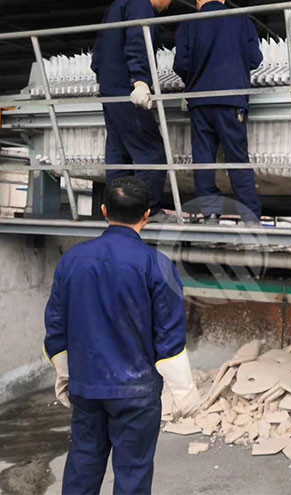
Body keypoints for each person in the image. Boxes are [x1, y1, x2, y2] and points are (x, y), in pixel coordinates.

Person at [44, 177, 200, 494]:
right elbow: (169, 339)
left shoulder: (71, 261)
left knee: (82, 467)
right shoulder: (158, 266)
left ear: (104, 210)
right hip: (136, 394)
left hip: (87, 388)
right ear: (147, 215)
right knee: (133, 474)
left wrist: (64, 374)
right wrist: (184, 392)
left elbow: (56, 327)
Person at [173, 0, 263, 224]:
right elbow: (255, 59)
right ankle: (250, 216)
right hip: (232, 99)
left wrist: (197, 78)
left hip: (200, 101)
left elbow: (181, 64)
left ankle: (211, 214)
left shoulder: (187, 24)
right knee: (237, 158)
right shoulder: (242, 20)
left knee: (203, 159)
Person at [91, 0, 174, 223]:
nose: (168, 5)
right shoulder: (141, 5)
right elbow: (138, 41)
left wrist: (105, 78)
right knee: (151, 151)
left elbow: (98, 50)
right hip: (127, 88)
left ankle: (118, 213)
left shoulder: (117, 5)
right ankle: (149, 210)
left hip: (110, 88)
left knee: (118, 154)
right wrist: (140, 80)